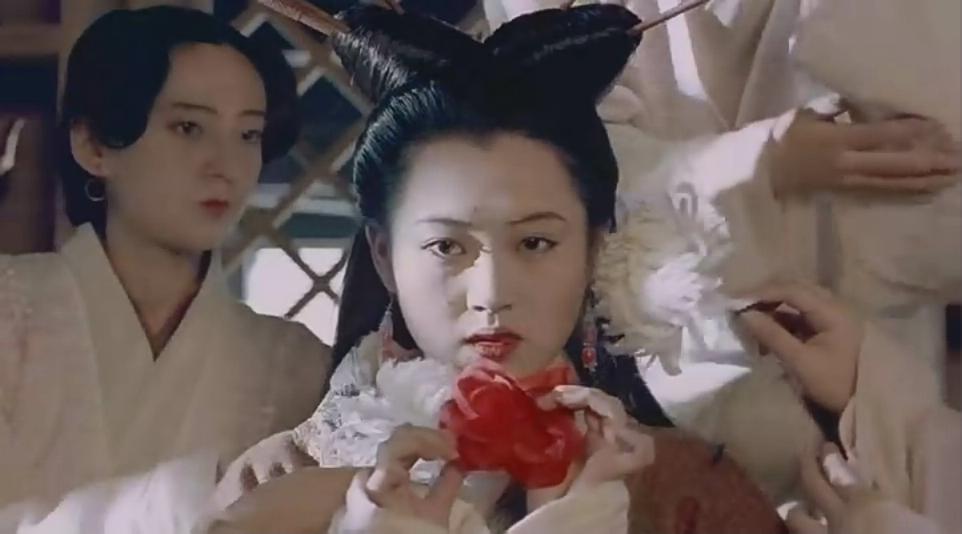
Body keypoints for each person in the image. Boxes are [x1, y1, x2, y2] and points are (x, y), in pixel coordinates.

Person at [202, 4, 791, 533]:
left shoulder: (682, 489)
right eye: (446, 247)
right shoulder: (278, 480)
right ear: (384, 256)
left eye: (534, 243)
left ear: (593, 248)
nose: (491, 294)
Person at [485, 0, 960, 504]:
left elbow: (937, 183)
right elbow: (558, 144)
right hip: (681, 351)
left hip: (862, 375)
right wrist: (761, 162)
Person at [0, 6, 329, 530]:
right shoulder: (9, 312)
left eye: (248, 134)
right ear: (93, 146)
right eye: (189, 127)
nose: (225, 165)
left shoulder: (295, 365)